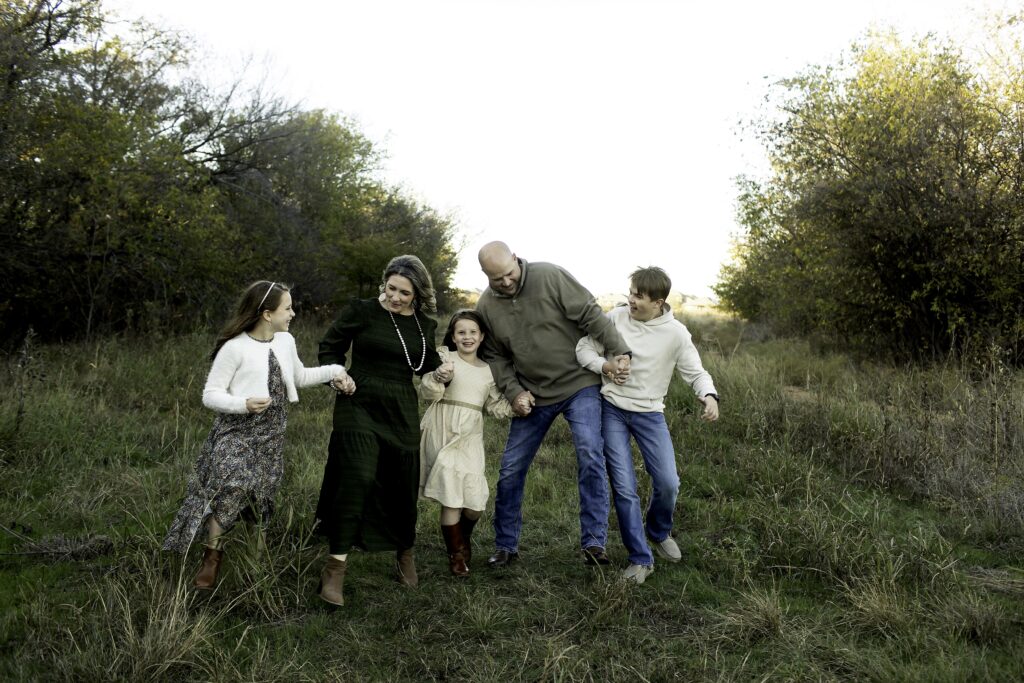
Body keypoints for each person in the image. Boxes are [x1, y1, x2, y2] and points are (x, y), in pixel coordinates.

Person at [163, 281, 351, 591]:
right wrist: (243, 404)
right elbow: (210, 395)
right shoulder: (234, 347)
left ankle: (257, 563)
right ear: (266, 313)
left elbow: (300, 376)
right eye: (287, 308)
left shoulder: (286, 341)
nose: (293, 313)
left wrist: (335, 371)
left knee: (262, 497)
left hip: (272, 434)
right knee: (231, 488)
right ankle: (212, 560)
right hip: (235, 431)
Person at [475, 241, 632, 568]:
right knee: (510, 469)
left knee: (590, 453)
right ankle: (506, 546)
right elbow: (494, 355)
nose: (504, 282)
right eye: (495, 279)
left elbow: (591, 315)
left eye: (507, 274)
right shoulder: (486, 306)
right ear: (485, 276)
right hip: (533, 393)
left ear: (515, 259)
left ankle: (593, 544)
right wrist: (513, 391)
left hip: (579, 383)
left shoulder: (549, 276)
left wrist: (619, 351)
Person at [314, 255, 447, 607]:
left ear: (417, 294)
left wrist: (443, 370)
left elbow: (425, 364)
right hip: (358, 400)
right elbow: (330, 347)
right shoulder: (362, 311)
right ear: (383, 284)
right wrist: (336, 374)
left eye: (404, 292)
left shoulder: (424, 325)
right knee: (356, 477)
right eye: (391, 288)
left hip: (401, 408)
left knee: (402, 481)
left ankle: (404, 552)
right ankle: (335, 568)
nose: (396, 297)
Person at [576, 266, 719, 584]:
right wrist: (606, 365)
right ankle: (640, 559)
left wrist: (709, 396)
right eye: (630, 293)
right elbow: (584, 348)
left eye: (638, 296)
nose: (631, 300)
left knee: (669, 483)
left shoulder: (676, 333)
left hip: (650, 414)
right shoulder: (615, 318)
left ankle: (658, 531)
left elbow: (695, 372)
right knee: (625, 487)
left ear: (658, 302)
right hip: (612, 409)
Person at [418, 310, 513, 577]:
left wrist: (517, 405)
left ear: (482, 336)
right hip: (443, 429)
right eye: (461, 332)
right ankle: (456, 556)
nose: (467, 337)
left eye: (473, 332)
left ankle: (462, 538)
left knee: (475, 503)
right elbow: (427, 392)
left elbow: (494, 406)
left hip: (470, 436)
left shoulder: (488, 370)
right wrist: (438, 378)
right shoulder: (446, 359)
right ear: (453, 336)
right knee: (451, 498)